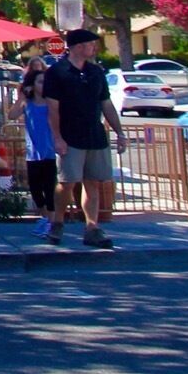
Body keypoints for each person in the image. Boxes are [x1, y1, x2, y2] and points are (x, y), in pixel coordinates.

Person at [45, 29, 124, 248]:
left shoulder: (95, 72)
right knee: (67, 182)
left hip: (94, 134)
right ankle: (58, 222)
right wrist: (57, 138)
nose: (94, 48)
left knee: (93, 182)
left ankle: (92, 227)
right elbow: (52, 108)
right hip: (70, 135)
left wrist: (119, 132)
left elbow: (106, 103)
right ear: (78, 46)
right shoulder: (57, 72)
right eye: (90, 44)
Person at [18, 58, 60, 238]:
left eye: (45, 82)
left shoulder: (51, 104)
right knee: (36, 190)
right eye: (40, 82)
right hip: (32, 153)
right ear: (33, 84)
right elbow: (12, 114)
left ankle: (51, 221)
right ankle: (44, 218)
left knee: (50, 188)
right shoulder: (27, 103)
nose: (43, 85)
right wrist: (21, 97)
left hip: (49, 152)